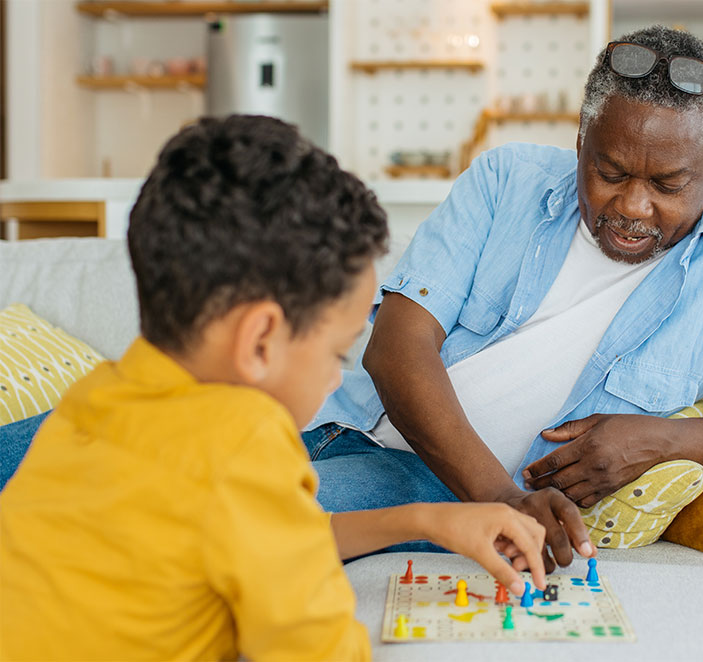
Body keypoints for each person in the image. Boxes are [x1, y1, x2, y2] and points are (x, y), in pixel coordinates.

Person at [0, 115, 547, 661]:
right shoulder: (245, 439)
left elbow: (261, 536)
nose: (337, 377)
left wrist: (426, 520)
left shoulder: (93, 399)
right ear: (261, 338)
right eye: (336, 353)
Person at [303, 25, 703, 571]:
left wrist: (663, 439)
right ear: (580, 144)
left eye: (668, 185)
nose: (634, 206)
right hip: (365, 441)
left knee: (240, 524)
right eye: (610, 172)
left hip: (462, 495)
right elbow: (394, 349)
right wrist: (501, 501)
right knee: (230, 519)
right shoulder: (507, 180)